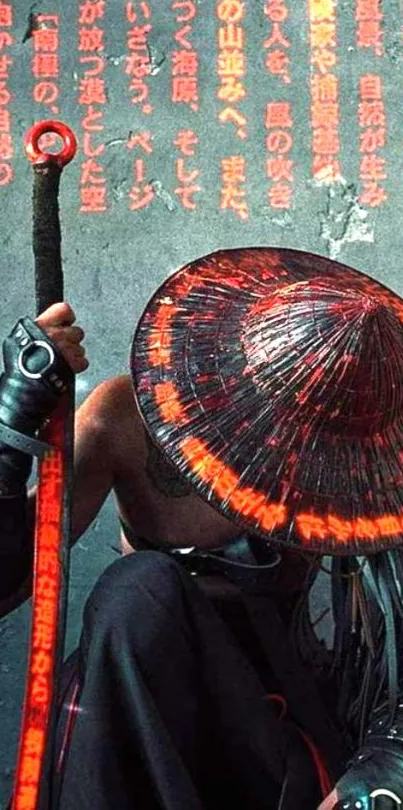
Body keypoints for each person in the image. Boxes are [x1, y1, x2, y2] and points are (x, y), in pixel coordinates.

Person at [1, 245, 403, 809]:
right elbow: (10, 587)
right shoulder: (128, 419)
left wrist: (389, 764)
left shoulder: (376, 468)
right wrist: (10, 433)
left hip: (268, 713)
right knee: (140, 589)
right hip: (134, 691)